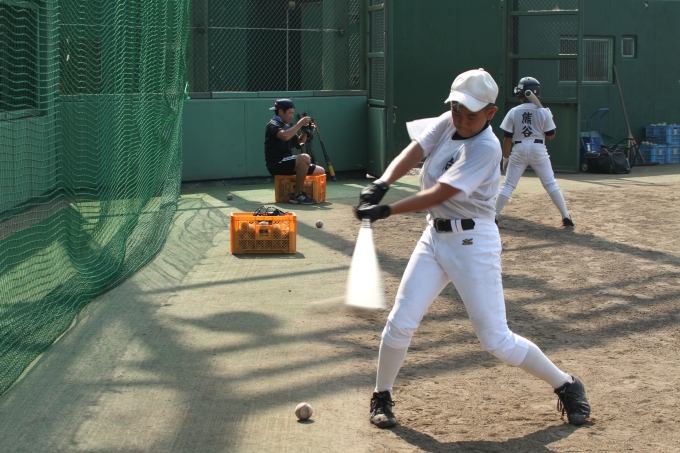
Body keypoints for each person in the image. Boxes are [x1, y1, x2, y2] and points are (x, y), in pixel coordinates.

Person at [354, 69, 590, 429]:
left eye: (472, 115)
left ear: (491, 112)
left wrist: (386, 209)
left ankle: (566, 384)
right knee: (400, 322)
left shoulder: (487, 148)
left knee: (497, 341)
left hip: (473, 243)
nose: (462, 121)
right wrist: (382, 183)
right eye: (457, 111)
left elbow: (441, 193)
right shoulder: (448, 121)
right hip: (434, 236)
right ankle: (382, 395)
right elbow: (416, 149)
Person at [495, 77, 574, 226]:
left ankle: (494, 216)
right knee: (550, 184)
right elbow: (551, 136)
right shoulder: (543, 112)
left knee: (508, 185)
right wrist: (549, 117)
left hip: (519, 149)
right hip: (538, 149)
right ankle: (566, 216)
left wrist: (505, 157)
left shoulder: (514, 111)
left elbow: (507, 138)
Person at [264, 99, 325, 204]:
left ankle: (299, 191)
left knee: (321, 171)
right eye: (290, 113)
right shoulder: (273, 124)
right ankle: (297, 194)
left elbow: (300, 141)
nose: (292, 116)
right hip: (276, 164)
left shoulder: (286, 126)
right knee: (305, 157)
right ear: (280, 111)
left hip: (287, 163)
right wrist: (300, 123)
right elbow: (285, 136)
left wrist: (306, 131)